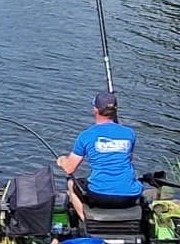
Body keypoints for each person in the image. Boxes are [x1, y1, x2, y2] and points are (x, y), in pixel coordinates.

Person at [55, 91, 142, 221]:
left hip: (100, 195)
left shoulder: (86, 135)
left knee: (71, 183)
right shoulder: (130, 134)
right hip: (130, 195)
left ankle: (87, 221)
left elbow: (69, 169)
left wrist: (62, 161)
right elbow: (124, 159)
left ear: (95, 110)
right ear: (115, 110)